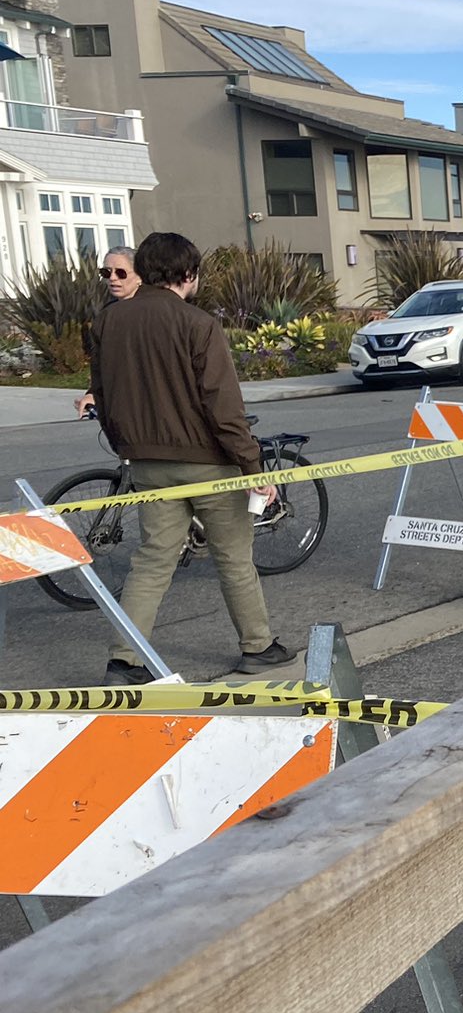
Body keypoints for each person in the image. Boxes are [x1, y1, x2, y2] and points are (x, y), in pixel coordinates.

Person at [90, 231, 289, 682]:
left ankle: (124, 659)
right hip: (208, 464)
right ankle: (257, 646)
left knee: (153, 559)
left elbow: (103, 393)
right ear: (188, 274)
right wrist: (252, 466)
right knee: (233, 556)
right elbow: (223, 407)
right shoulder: (198, 324)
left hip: (145, 462)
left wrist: (126, 445)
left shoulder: (108, 322)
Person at [76, 245, 140, 416]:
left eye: (121, 273)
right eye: (106, 272)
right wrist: (93, 393)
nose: (113, 278)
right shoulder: (107, 314)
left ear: (139, 276)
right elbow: (101, 362)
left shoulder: (152, 313)